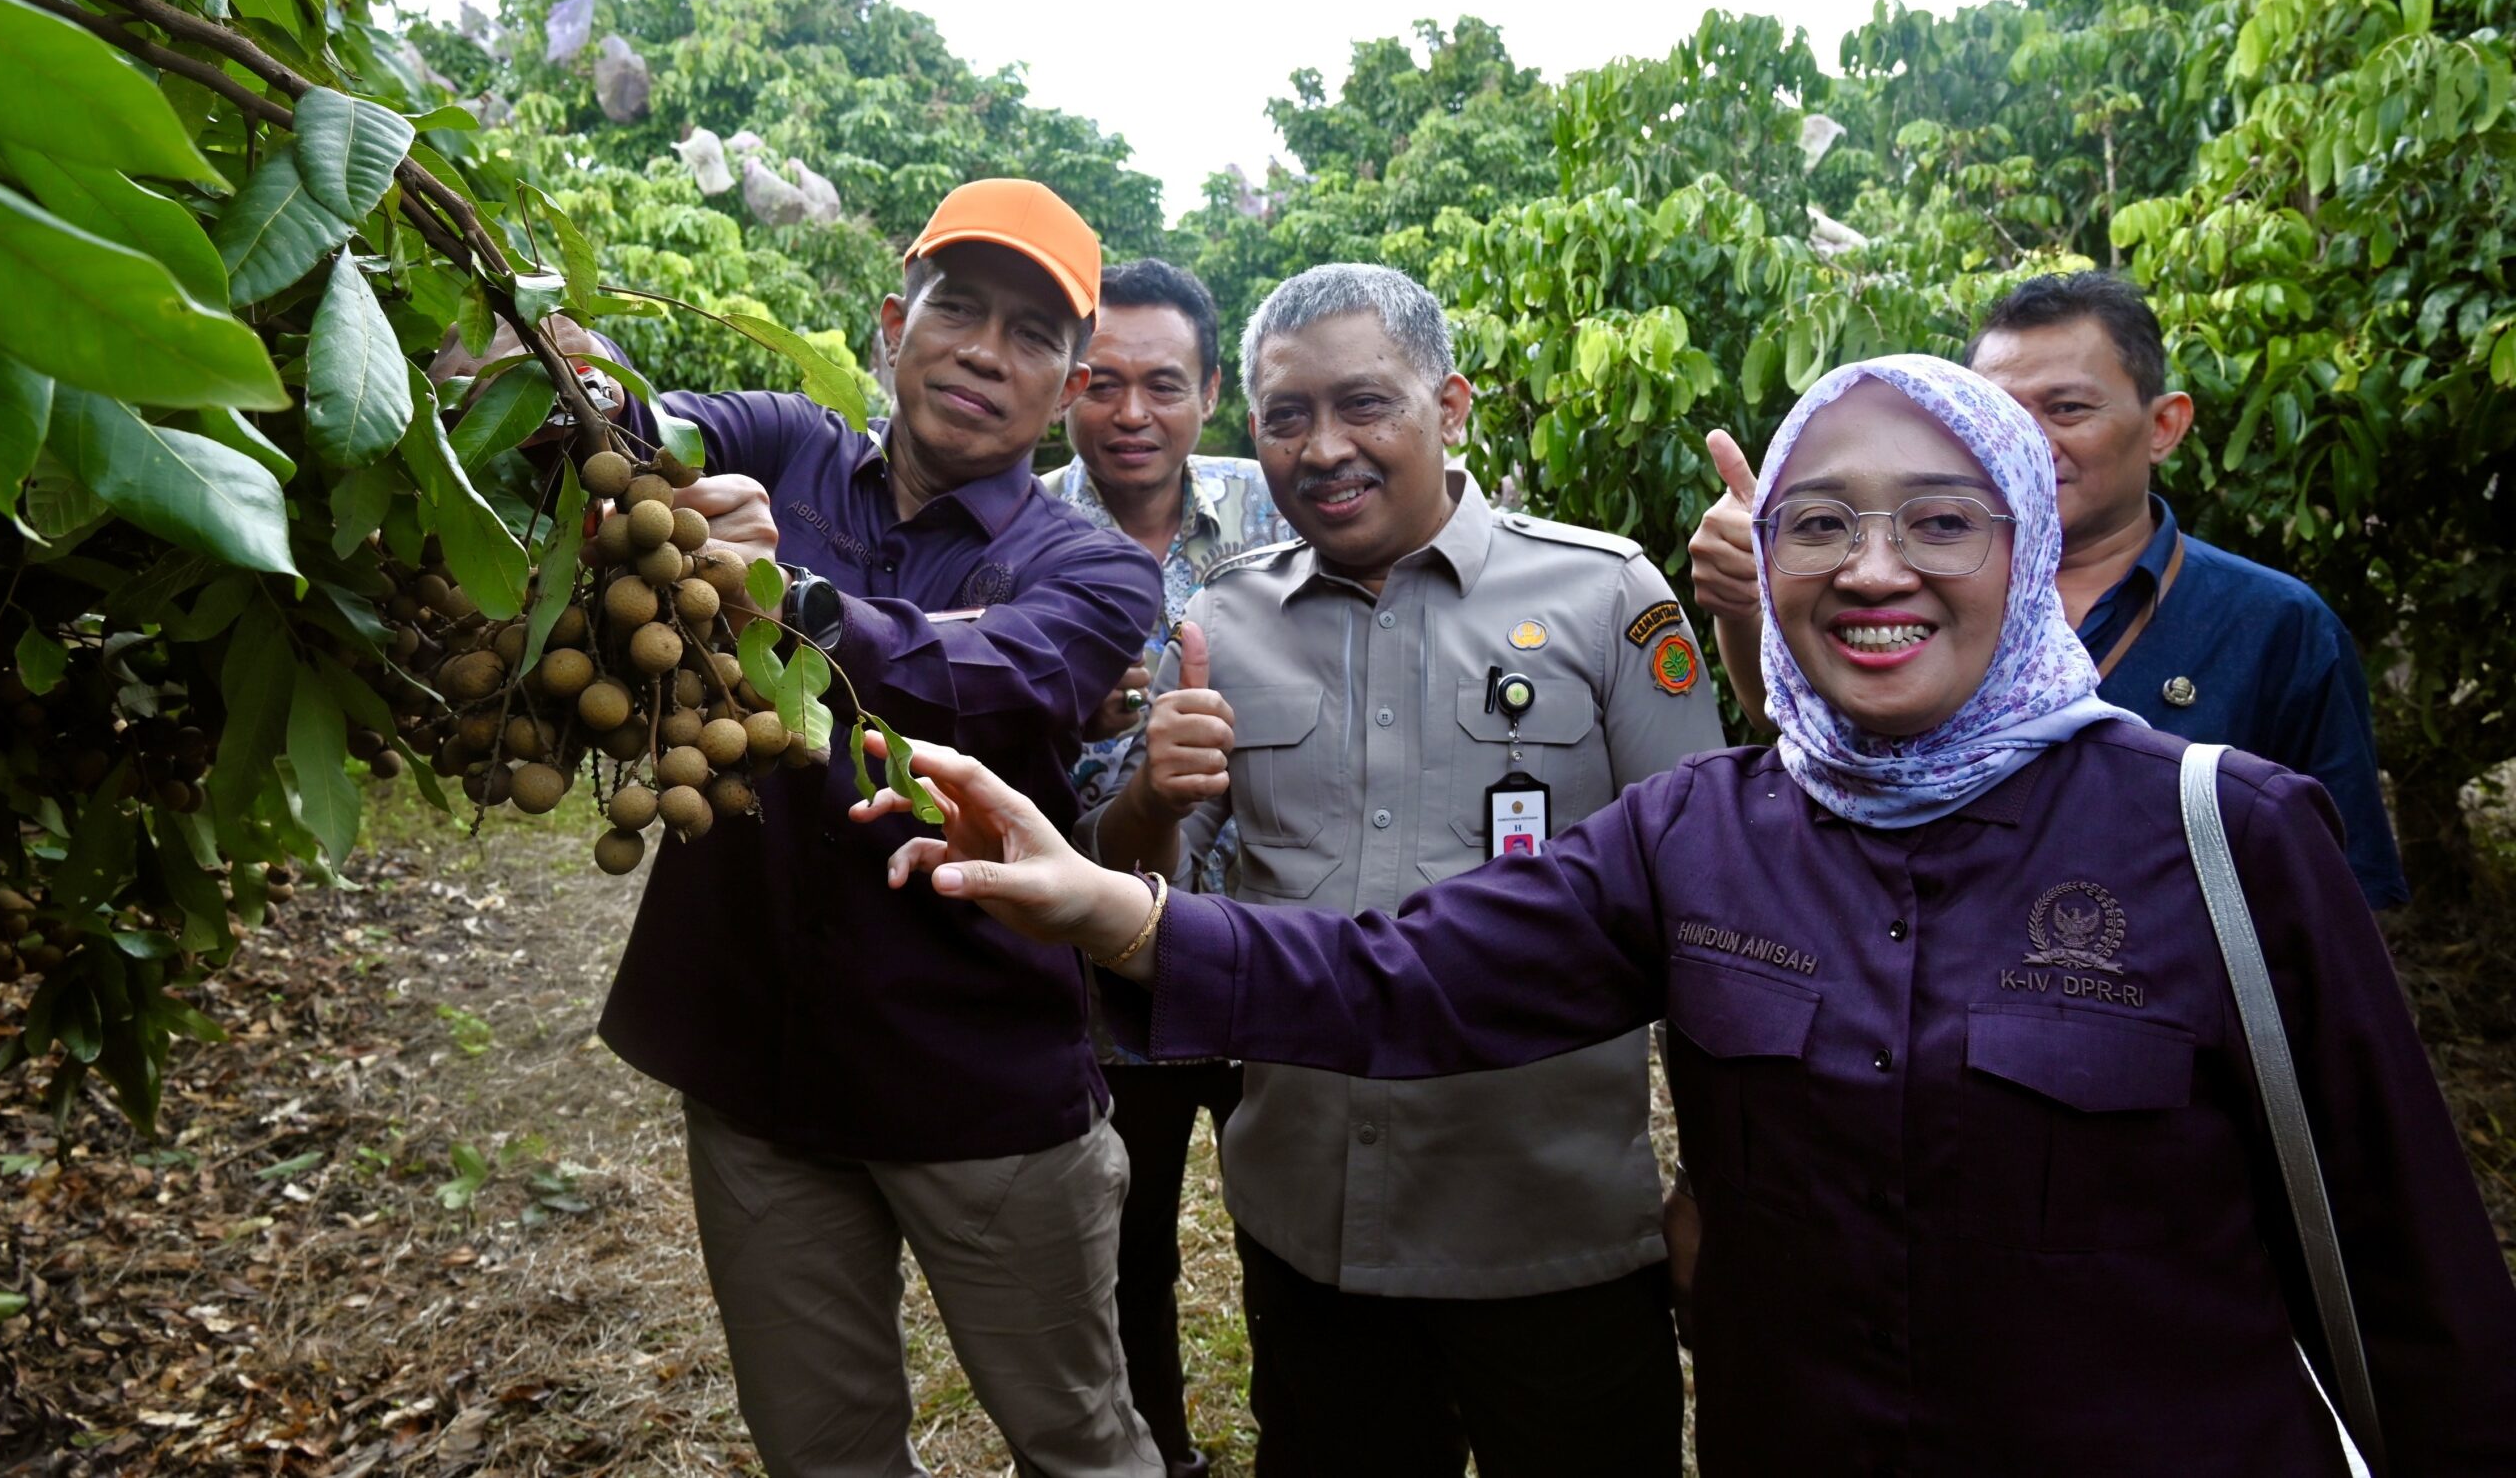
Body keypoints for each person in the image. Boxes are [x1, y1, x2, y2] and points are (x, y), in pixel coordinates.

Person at [855, 355, 2516, 1477]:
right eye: (1820, 522)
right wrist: (1113, 906)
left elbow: (2413, 1271)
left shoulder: (2222, 831)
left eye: (1941, 519)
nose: (1874, 567)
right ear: (1763, 565)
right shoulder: (1704, 833)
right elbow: (1401, 976)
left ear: (2027, 549)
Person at [464, 179, 1168, 1477]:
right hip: (759, 1074)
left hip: (979, 1082)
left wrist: (785, 601)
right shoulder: (780, 439)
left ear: (1069, 389)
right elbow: (618, 433)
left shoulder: (1099, 568)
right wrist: (534, 354)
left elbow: (995, 675)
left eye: (1029, 333)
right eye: (957, 309)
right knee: (820, 1448)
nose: (982, 352)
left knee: (1077, 1437)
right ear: (896, 324)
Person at [1085, 264, 1722, 1477]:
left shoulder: (1606, 599)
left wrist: (1711, 1180)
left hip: (1552, 1233)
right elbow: (1138, 889)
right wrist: (1150, 798)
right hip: (1311, 1227)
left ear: (1451, 406)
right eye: (1286, 417)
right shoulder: (1226, 623)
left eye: (1364, 404)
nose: (1323, 448)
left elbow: (1705, 915)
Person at [1692, 270, 2407, 907]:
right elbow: (1811, 736)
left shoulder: (2279, 626)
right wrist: (1751, 600)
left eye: (2067, 408)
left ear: (2164, 425)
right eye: (1999, 412)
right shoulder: (1911, 592)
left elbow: (2336, 910)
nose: (2027, 442)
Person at [1040, 258, 1288, 1478]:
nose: (1131, 413)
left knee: (1290, 1238)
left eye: (1164, 385)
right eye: (1102, 382)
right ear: (1065, 387)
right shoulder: (1013, 534)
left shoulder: (1278, 511)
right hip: (1096, 980)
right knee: (1119, 1251)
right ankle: (1160, 1458)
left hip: (1275, 956)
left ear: (1211, 394)